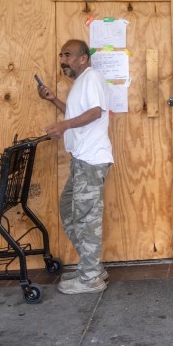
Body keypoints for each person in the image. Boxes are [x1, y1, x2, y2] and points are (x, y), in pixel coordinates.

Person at [38, 39, 113, 294]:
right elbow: (76, 113)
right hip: (81, 161)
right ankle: (92, 267)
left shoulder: (91, 78)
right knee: (70, 209)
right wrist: (53, 100)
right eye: (61, 55)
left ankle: (90, 277)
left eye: (68, 55)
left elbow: (95, 112)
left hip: (91, 161)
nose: (63, 60)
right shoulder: (80, 83)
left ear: (83, 58)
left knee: (86, 218)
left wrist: (64, 126)